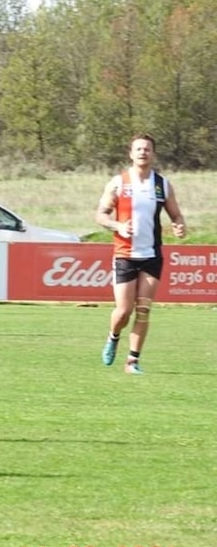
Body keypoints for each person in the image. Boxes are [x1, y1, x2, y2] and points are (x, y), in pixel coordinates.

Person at [96, 133, 186, 375]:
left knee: (144, 309)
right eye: (138, 149)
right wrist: (118, 226)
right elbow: (100, 215)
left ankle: (132, 362)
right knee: (124, 311)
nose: (143, 152)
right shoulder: (118, 183)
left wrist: (179, 224)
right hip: (125, 254)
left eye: (147, 149)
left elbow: (176, 214)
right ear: (131, 153)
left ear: (153, 154)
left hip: (151, 255)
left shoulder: (162, 184)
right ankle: (113, 336)